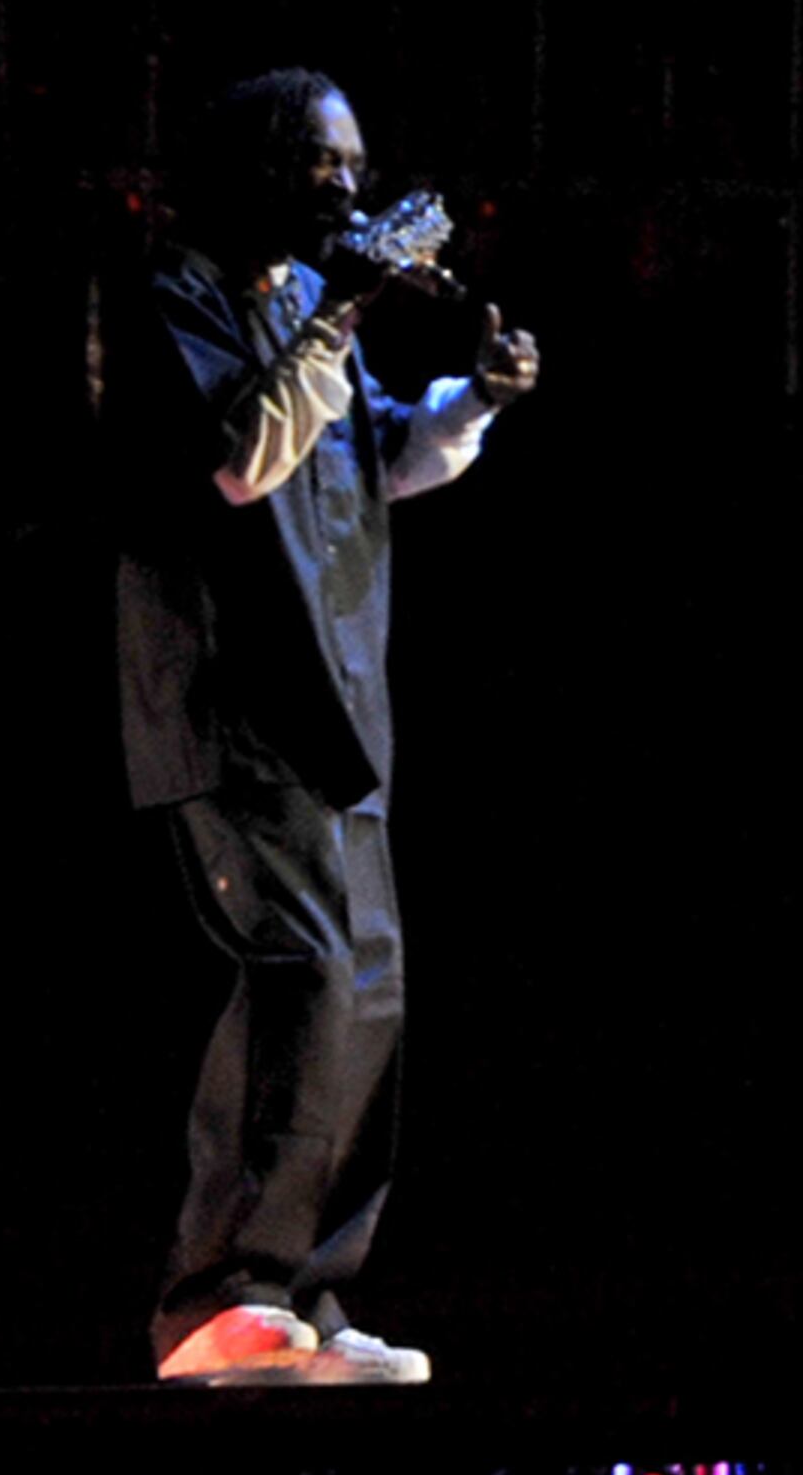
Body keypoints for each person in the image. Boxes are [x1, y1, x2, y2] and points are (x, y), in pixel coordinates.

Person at [104, 68, 539, 1385]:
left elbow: (378, 458)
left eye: (353, 163)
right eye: (317, 163)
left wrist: (476, 401)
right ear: (247, 170)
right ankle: (215, 1302)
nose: (346, 188)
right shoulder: (175, 295)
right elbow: (241, 461)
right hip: (240, 708)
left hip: (343, 712)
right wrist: (344, 308)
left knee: (367, 999)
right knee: (295, 980)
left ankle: (310, 1295)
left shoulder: (304, 308)